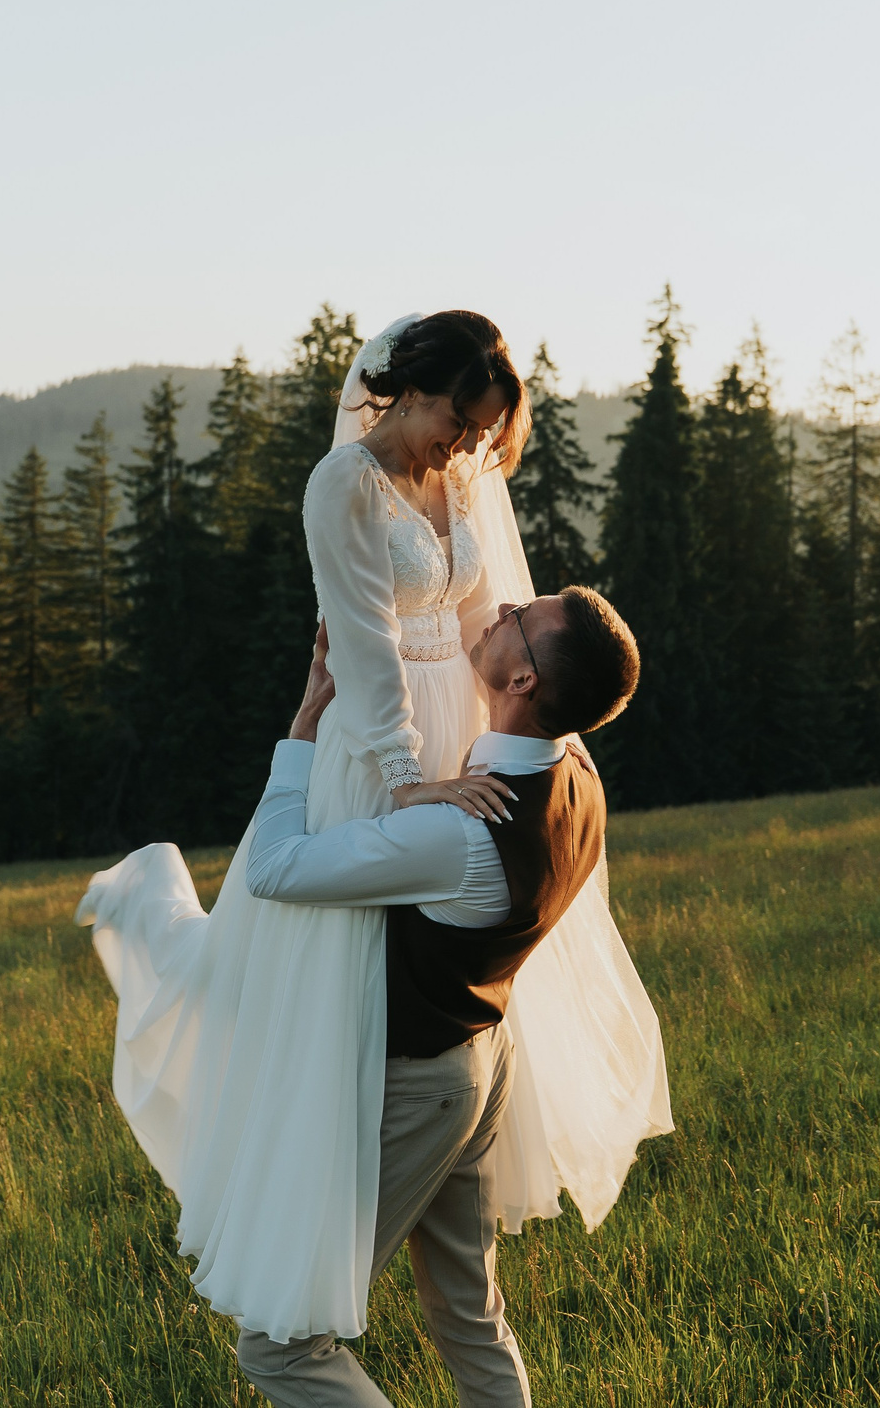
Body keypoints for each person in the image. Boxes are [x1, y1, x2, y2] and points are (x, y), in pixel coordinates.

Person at [77, 312, 668, 1350]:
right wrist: (406, 781)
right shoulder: (342, 486)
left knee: (443, 947)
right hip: (380, 735)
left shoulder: (469, 473)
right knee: (315, 955)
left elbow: (502, 614)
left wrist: (512, 754)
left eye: (482, 430)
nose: (466, 446)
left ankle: (432, 1121)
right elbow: (361, 641)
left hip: (469, 723)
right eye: (456, 421)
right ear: (408, 388)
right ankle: (156, 912)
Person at [233, 583, 644, 1406]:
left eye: (522, 617)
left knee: (281, 1344)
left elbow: (275, 868)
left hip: (424, 1089)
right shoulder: (580, 775)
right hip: (489, 1063)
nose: (503, 606)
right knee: (468, 1310)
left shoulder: (461, 832)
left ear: (524, 680)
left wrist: (306, 725)